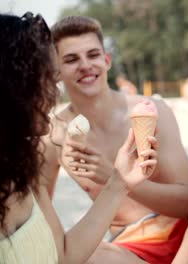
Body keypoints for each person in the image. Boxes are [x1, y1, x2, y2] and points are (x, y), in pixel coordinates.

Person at [44, 16, 188, 263]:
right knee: (89, 257)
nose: (86, 65)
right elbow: (39, 215)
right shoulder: (53, 136)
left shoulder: (153, 110)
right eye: (71, 59)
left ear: (106, 61)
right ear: (55, 72)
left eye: (93, 55)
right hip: (131, 249)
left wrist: (115, 178)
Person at [0, 12, 157, 263]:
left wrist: (119, 181)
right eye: (48, 79)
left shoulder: (24, 167)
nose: (55, 93)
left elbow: (64, 256)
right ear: (15, 87)